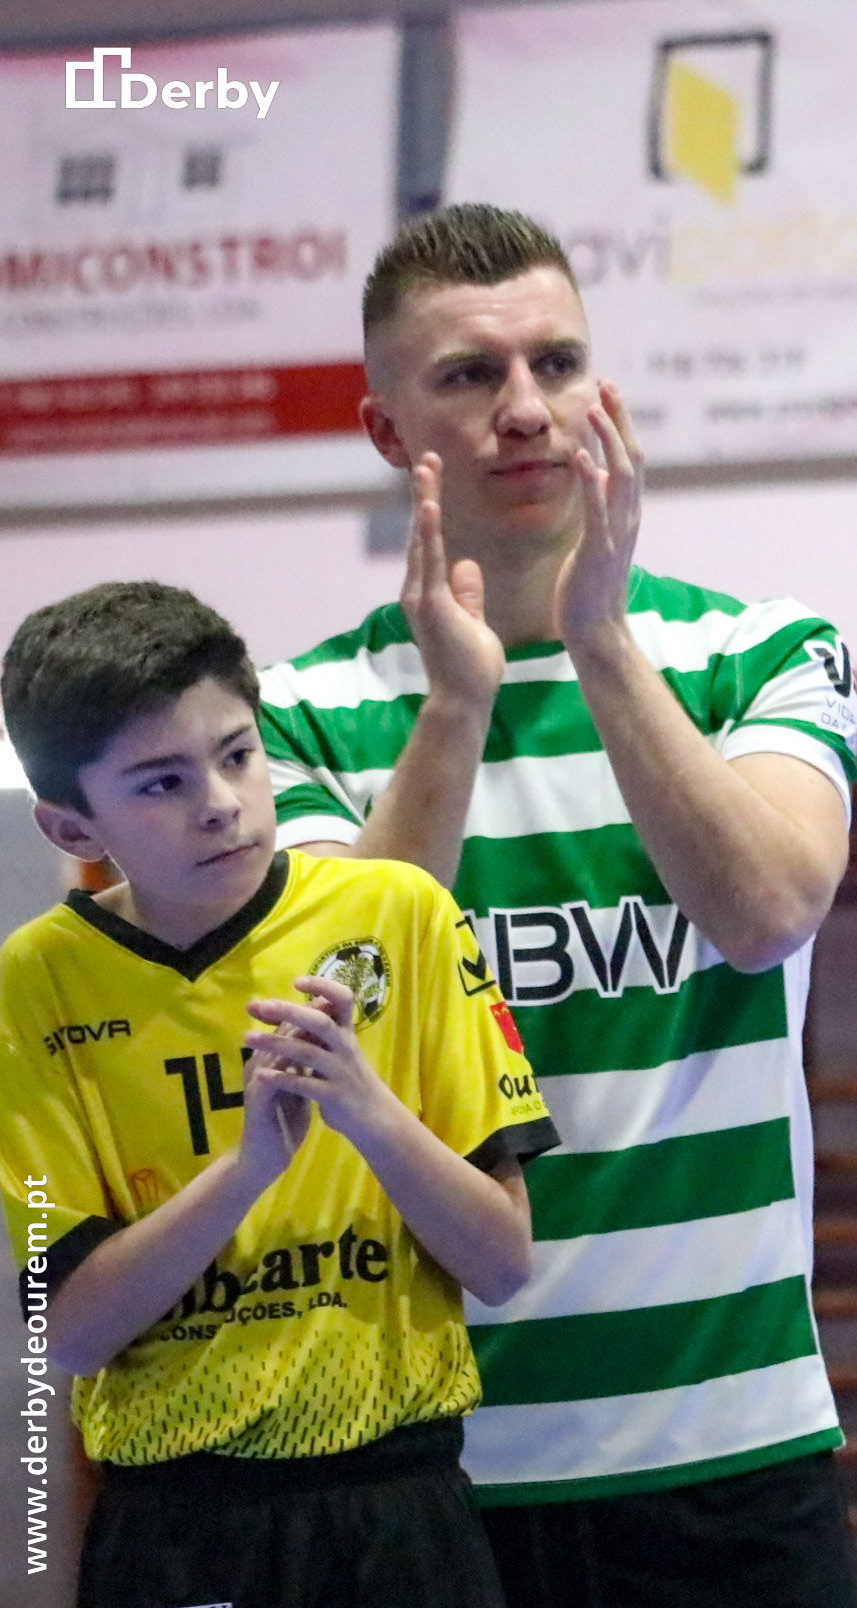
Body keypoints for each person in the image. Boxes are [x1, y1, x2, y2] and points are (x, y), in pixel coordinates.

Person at [254, 204, 857, 1606]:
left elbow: (767, 910)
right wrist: (460, 703)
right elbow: (352, 998)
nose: (524, 410)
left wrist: (596, 637)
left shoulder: (762, 650)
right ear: (386, 431)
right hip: (422, 1466)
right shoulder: (295, 713)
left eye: (555, 363)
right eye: (469, 376)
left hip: (732, 1454)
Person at [0, 581, 558, 1608]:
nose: (218, 800)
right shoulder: (32, 986)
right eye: (160, 782)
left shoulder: (400, 913)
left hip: (400, 1501)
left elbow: (503, 1261)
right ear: (72, 824)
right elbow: (72, 1332)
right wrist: (249, 1169)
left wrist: (366, 1108)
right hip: (178, 1523)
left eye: (236, 754)